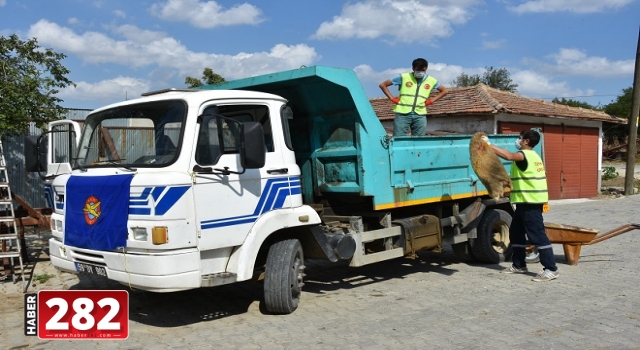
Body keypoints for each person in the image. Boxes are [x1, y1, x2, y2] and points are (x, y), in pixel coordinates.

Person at [483, 130, 559, 282]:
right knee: (516, 233)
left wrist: (488, 144)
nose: (518, 140)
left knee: (537, 235)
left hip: (531, 202)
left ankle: (551, 269)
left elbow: (509, 156)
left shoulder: (524, 155)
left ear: (525, 142)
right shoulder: (533, 157)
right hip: (524, 202)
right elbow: (520, 178)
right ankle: (519, 264)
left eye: (520, 138)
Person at [379, 58, 448, 136]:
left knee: (419, 140)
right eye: (418, 70)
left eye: (423, 70)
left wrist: (431, 101)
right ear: (413, 68)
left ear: (426, 69)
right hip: (403, 113)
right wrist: (391, 98)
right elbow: (383, 85)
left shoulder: (431, 80)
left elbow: (444, 91)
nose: (420, 72)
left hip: (420, 114)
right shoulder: (403, 77)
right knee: (398, 138)